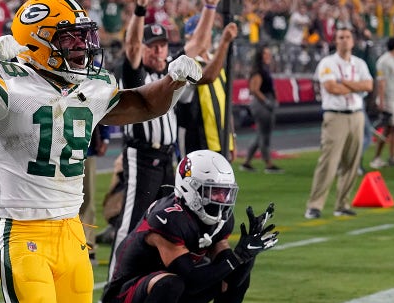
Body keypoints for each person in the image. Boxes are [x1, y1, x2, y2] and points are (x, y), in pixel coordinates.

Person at [0, 0, 202, 303]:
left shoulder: (93, 86)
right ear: (35, 42)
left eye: (84, 36)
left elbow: (147, 105)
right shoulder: (8, 82)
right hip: (22, 232)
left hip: (72, 231)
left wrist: (174, 83)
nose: (82, 45)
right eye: (69, 37)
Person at [101, 149, 279, 303]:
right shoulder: (168, 217)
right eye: (214, 192)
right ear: (190, 188)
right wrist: (236, 258)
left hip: (166, 292)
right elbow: (192, 281)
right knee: (171, 284)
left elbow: (233, 280)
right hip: (124, 298)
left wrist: (248, 255)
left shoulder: (220, 220)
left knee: (236, 272)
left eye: (225, 193)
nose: (222, 200)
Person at [108, 0, 210, 281]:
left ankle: (147, 276)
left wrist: (210, 9)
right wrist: (140, 12)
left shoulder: (171, 73)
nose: (158, 50)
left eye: (162, 45)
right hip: (141, 156)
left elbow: (197, 46)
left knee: (165, 221)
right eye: (151, 45)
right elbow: (130, 48)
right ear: (143, 47)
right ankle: (115, 284)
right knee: (130, 221)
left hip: (168, 157)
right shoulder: (136, 74)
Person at [304, 27, 373, 219]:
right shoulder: (328, 62)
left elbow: (369, 85)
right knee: (329, 161)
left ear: (352, 41)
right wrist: (354, 86)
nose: (344, 40)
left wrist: (345, 83)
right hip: (336, 116)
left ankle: (342, 204)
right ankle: (314, 205)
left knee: (352, 162)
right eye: (341, 37)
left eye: (348, 37)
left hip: (357, 115)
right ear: (336, 41)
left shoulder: (359, 63)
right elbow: (331, 87)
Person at [176, 4, 239, 161]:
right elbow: (207, 76)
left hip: (221, 140)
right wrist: (224, 44)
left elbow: (226, 105)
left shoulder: (216, 62)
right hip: (197, 142)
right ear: (190, 38)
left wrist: (232, 138)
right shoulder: (185, 63)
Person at [241, 45, 284, 174]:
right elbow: (254, 89)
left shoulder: (262, 69)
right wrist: (267, 101)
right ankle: (268, 164)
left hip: (263, 102)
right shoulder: (259, 70)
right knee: (264, 135)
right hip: (261, 104)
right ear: (260, 56)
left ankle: (247, 162)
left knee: (260, 134)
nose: (268, 55)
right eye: (265, 53)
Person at [370, 37, 394, 169]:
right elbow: (381, 81)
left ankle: (392, 156)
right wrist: (381, 100)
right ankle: (376, 157)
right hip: (390, 99)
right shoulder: (384, 61)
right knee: (387, 128)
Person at [79, 124, 110, 265]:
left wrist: (105, 137)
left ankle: (88, 246)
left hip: (85, 148)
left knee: (87, 199)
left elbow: (100, 104)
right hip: (56, 150)